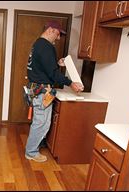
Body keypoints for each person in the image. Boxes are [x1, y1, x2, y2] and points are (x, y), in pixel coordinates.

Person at [25, 21, 84, 162]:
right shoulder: (46, 46)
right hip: (41, 91)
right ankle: (31, 152)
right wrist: (71, 84)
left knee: (40, 122)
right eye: (58, 34)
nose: (58, 38)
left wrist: (56, 64)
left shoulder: (38, 44)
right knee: (41, 123)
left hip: (36, 88)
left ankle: (34, 146)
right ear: (51, 30)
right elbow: (53, 74)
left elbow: (41, 67)